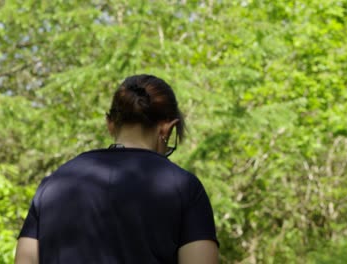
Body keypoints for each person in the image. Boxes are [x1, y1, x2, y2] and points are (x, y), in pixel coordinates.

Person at [15, 74, 219, 263]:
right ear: (168, 128)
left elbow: (25, 259)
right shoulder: (185, 188)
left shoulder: (54, 184)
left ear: (110, 124)